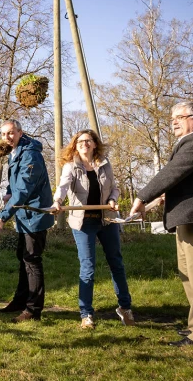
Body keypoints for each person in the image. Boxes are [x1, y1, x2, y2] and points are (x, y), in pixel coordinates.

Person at [130, 102, 193, 347]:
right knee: (191, 277)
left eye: (179, 117)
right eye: (171, 118)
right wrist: (160, 198)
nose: (173, 122)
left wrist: (142, 196)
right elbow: (187, 179)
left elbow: (174, 171)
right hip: (191, 219)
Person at [52, 129, 134, 330]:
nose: (84, 144)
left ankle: (125, 307)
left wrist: (113, 200)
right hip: (83, 223)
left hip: (106, 220)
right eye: (80, 141)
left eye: (88, 141)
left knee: (116, 263)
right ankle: (86, 313)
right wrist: (57, 202)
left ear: (95, 144)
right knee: (87, 268)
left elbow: (114, 187)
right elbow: (63, 186)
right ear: (75, 145)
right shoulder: (71, 166)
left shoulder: (104, 164)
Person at [0, 119, 54, 323]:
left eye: (11, 133)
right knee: (23, 257)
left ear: (20, 132)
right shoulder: (16, 153)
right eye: (3, 134)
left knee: (32, 260)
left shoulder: (30, 155)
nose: (7, 137)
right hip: (23, 214)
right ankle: (20, 301)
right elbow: (15, 184)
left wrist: (3, 215)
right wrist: (8, 193)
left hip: (34, 214)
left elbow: (24, 190)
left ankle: (33, 310)